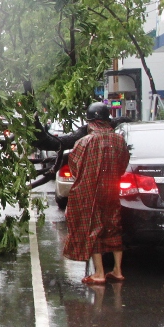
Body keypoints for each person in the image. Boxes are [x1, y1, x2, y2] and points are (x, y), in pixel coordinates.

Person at [63, 102, 131, 285]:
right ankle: (117, 271)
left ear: (91, 122)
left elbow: (75, 166)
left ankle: (99, 273)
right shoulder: (119, 140)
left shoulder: (84, 142)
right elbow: (123, 163)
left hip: (90, 193)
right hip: (112, 190)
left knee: (93, 229)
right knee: (114, 227)